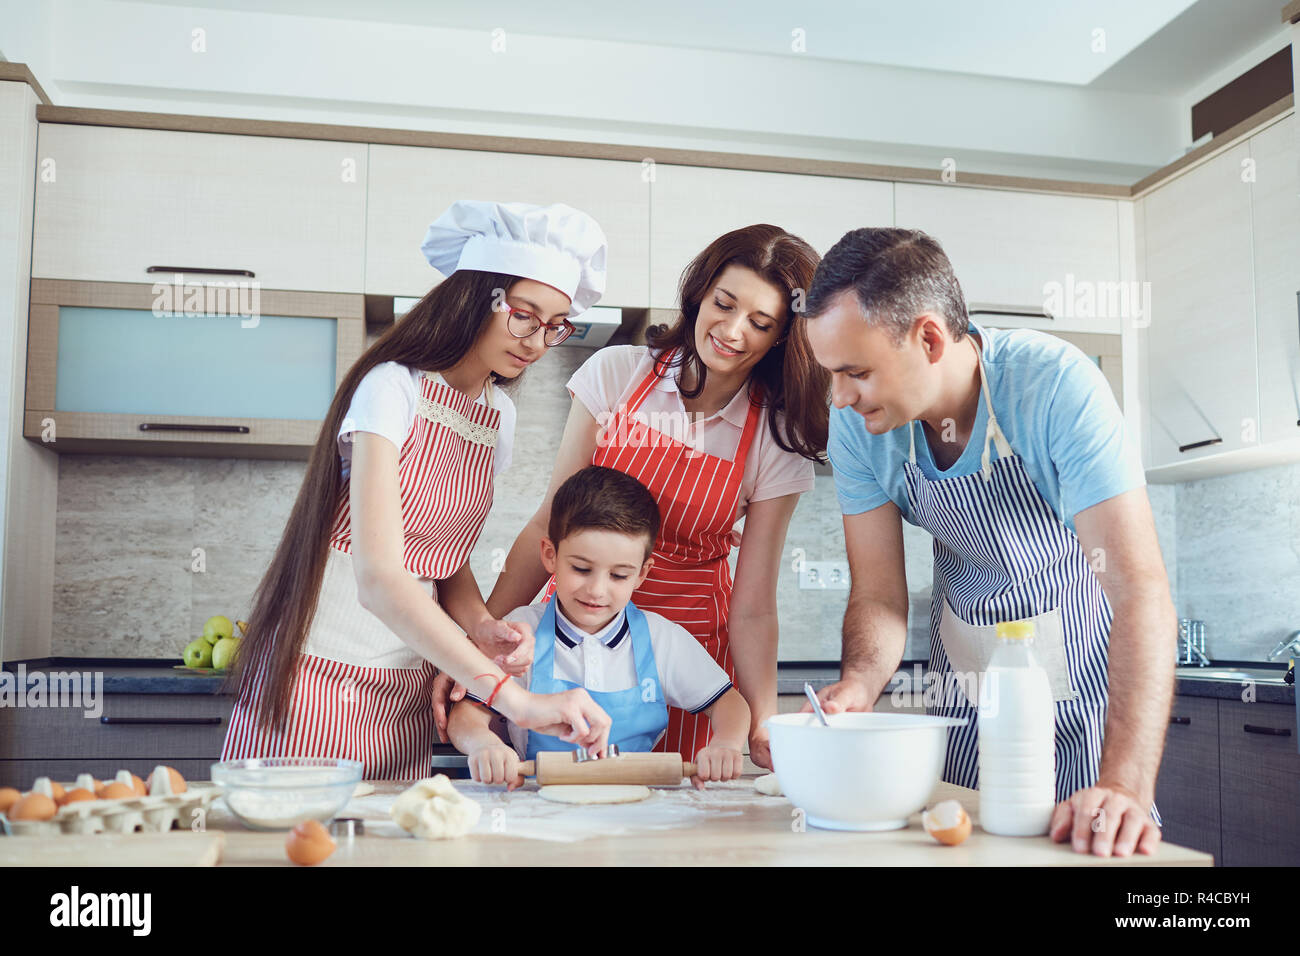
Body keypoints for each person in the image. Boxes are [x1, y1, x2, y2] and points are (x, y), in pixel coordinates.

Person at [802, 227, 1176, 858]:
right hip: (967, 704)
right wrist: (860, 687)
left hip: (1084, 703)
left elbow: (1140, 592)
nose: (839, 397)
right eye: (832, 375)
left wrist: (1125, 784)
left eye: (856, 372)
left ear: (928, 337)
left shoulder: (1054, 387)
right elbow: (880, 593)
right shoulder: (859, 427)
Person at [222, 200, 614, 779]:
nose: (535, 341)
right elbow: (381, 578)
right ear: (476, 297)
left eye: (554, 327)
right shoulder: (392, 388)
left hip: (403, 691)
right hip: (315, 677)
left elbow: (440, 558)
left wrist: (482, 626)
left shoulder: (496, 417)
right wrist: (516, 700)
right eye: (524, 315)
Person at [442, 224, 829, 767]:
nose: (733, 330)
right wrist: (474, 650)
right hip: (568, 636)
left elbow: (754, 606)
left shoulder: (773, 435)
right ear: (698, 295)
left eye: (760, 323)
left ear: (782, 337)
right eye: (723, 303)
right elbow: (545, 527)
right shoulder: (618, 374)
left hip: (689, 655)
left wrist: (761, 720)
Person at [447, 466, 751, 788]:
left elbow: (730, 703)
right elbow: (467, 714)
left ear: (642, 574)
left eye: (619, 575)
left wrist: (727, 744)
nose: (597, 590)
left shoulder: (661, 640)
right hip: (537, 807)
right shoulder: (521, 633)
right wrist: (484, 744)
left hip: (635, 812)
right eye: (581, 568)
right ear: (550, 555)